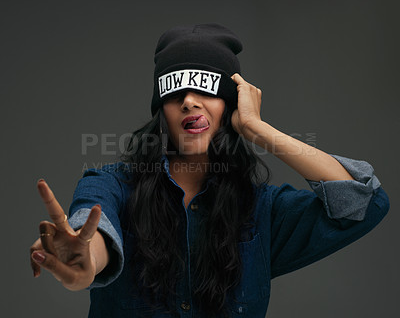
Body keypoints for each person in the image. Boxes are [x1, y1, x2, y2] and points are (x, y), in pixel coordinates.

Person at [30, 23, 390, 318]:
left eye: (204, 90)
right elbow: (93, 234)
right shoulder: (109, 185)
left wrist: (258, 130)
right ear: (161, 112)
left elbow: (364, 202)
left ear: (231, 104)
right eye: (174, 94)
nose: (188, 101)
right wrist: (84, 262)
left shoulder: (262, 211)